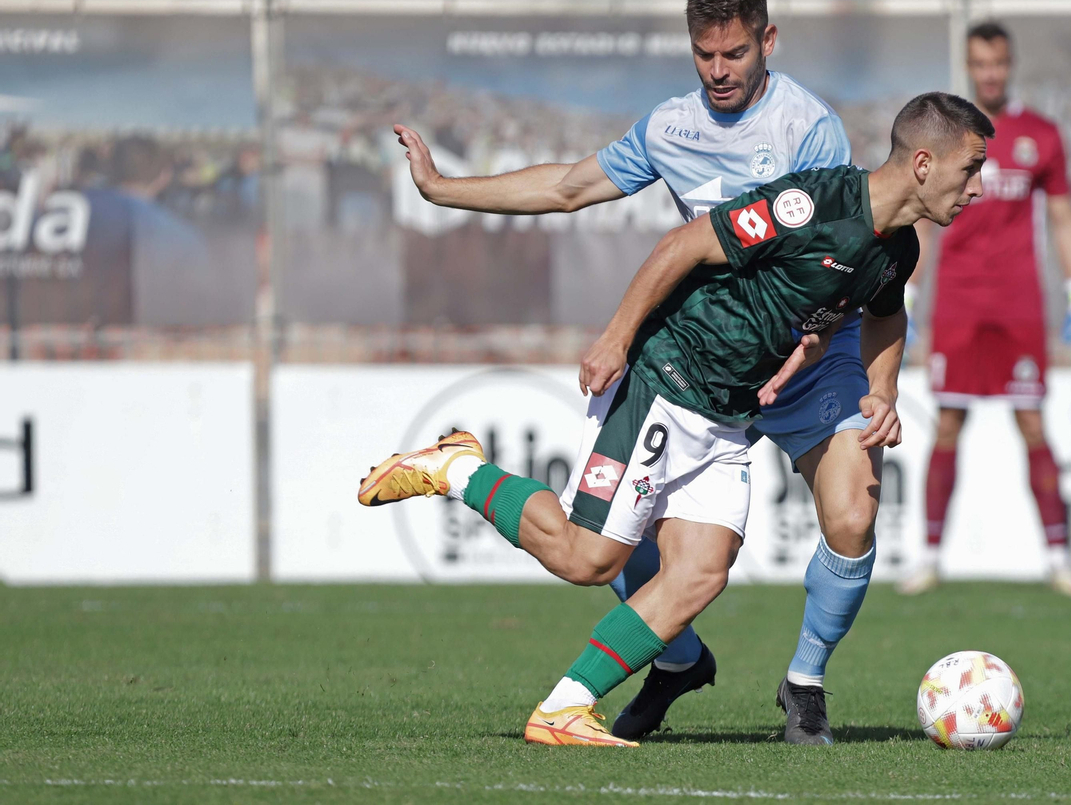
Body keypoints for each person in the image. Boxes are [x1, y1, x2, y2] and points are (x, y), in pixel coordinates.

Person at [358, 91, 992, 747]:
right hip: (668, 379)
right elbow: (686, 243)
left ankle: (562, 710)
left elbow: (885, 312)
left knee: (700, 572)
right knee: (588, 560)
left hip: (725, 413)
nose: (978, 187)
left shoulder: (898, 250)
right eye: (971, 168)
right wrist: (616, 337)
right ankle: (459, 468)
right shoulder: (811, 207)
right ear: (923, 163)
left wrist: (881, 391)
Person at [388, 0, 890, 744]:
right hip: (704, 364)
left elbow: (836, 259)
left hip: (804, 359)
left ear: (768, 42)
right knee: (621, 549)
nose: (719, 71)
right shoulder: (671, 128)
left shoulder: (809, 130)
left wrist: (827, 347)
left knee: (852, 509)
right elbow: (565, 187)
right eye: (704, 55)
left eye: (734, 54)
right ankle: (675, 659)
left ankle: (805, 686)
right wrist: (443, 189)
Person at [898, 21, 1071, 598]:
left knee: (1033, 423)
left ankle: (1058, 558)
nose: (990, 73)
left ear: (1010, 65)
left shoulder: (1041, 135)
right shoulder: (946, 134)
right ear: (968, 66)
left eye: (998, 63)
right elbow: (924, 224)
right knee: (948, 424)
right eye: (980, 64)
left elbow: (1062, 218)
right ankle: (930, 557)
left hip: (1018, 304)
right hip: (958, 303)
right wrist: (908, 293)